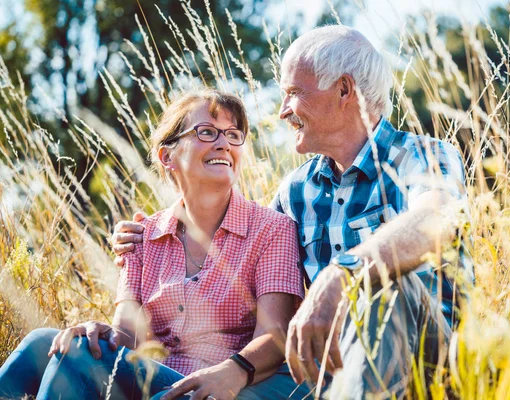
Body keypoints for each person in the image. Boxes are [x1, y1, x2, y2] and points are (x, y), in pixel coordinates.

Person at [113, 26, 474, 398]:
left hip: (430, 363)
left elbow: (438, 218)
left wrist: (343, 275)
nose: (283, 111)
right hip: (324, 374)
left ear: (344, 90)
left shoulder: (421, 155)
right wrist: (157, 235)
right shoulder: (297, 190)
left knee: (386, 293)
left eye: (293, 94)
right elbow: (247, 268)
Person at [0, 90, 306, 400]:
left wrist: (233, 369)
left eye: (233, 134)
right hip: (146, 380)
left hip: (209, 386)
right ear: (167, 156)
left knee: (74, 353)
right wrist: (99, 333)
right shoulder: (142, 235)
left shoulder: (272, 229)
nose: (224, 143)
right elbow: (127, 337)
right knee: (44, 343)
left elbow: (275, 335)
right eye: (207, 132)